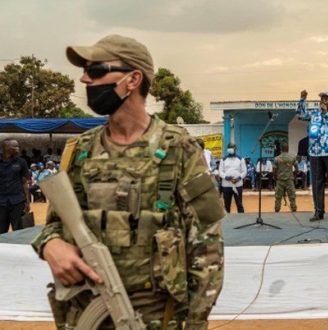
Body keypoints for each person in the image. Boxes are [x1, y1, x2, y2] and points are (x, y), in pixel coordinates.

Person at [30, 35, 224, 329]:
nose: (84, 80)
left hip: (156, 320)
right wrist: (50, 244)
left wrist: (194, 324)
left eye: (95, 72)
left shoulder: (179, 149)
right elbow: (55, 224)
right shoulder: (80, 150)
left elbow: (207, 251)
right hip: (84, 316)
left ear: (133, 80)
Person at [296, 90, 328, 222]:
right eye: (321, 98)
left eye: (326, 98)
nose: (323, 101)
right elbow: (301, 114)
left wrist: (326, 114)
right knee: (317, 183)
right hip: (315, 153)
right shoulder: (314, 114)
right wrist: (302, 100)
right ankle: (319, 212)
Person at [0, 139, 31, 233]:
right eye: (15, 146)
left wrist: (28, 201)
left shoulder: (21, 162)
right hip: (1, 202)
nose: (18, 148)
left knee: (19, 232)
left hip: (17, 201)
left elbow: (25, 183)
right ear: (7, 148)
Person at [218, 142, 247, 213]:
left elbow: (244, 171)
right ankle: (227, 221)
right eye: (229, 148)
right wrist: (226, 177)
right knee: (227, 205)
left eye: (232, 147)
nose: (230, 149)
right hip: (226, 185)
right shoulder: (223, 159)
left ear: (235, 149)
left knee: (239, 204)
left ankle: (242, 219)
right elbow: (220, 172)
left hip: (238, 185)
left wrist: (238, 179)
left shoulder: (241, 159)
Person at [273, 144, 297, 213]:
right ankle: (294, 209)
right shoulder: (293, 157)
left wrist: (276, 178)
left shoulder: (277, 158)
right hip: (289, 180)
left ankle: (277, 211)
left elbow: (274, 170)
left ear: (281, 149)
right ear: (288, 149)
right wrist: (294, 177)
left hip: (280, 180)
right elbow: (297, 169)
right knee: (292, 197)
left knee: (278, 198)